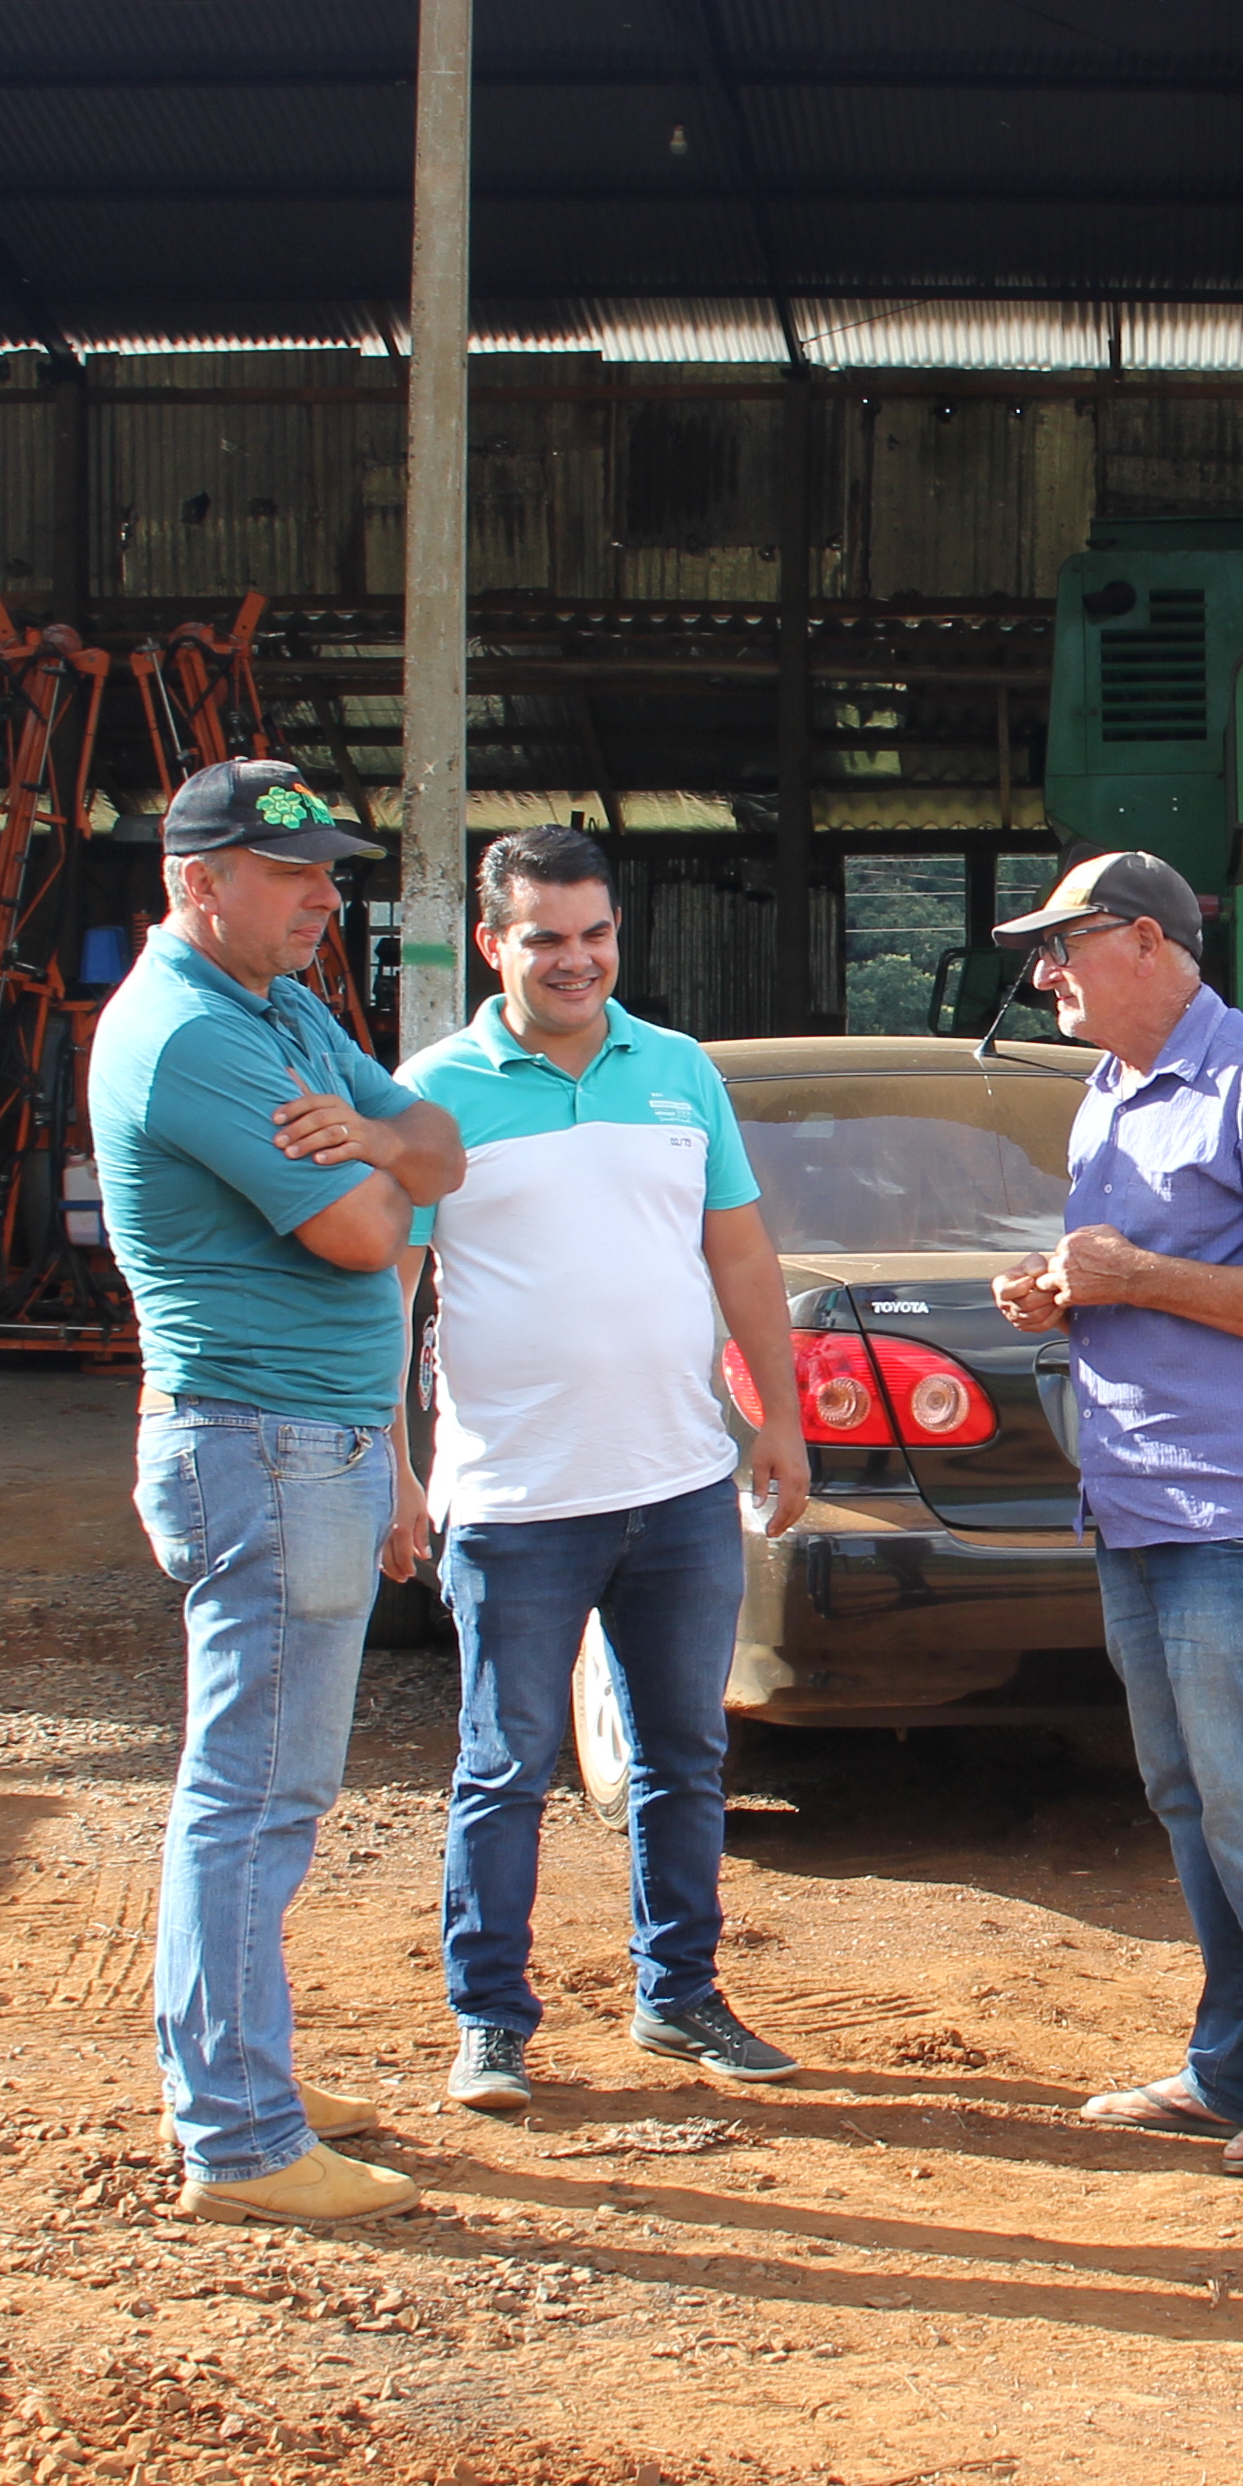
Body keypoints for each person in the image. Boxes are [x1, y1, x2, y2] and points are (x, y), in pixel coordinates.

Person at [88, 757, 468, 2228]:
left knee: (268, 1791)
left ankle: (245, 2079)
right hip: (261, 1443)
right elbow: (373, 1238)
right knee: (253, 1796)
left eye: (332, 872)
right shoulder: (193, 1038)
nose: (327, 898)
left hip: (301, 1442)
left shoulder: (280, 1012)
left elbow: (434, 1153)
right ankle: (240, 2135)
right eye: (295, 873)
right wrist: (385, 1166)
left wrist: (371, 1136)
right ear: (201, 884)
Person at [394, 824, 814, 2115]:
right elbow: (391, 1283)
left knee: (685, 1754)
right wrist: (393, 1469)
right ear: (492, 945)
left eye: (595, 934)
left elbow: (740, 1260)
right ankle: (490, 2021)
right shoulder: (431, 1095)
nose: (576, 961)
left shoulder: (680, 1073)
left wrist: (778, 1422)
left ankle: (678, 1998)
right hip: (515, 1500)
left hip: (681, 1486)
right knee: (504, 1765)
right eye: (544, 939)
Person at [986, 849, 1243, 2178]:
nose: (1043, 972)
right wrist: (1059, 1289)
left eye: (1065, 945)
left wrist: (1139, 1274)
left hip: (1238, 1508)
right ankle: (1232, 2067)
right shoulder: (1107, 1092)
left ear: (1151, 944)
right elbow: (1131, 1280)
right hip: (1138, 1494)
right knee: (1185, 1794)